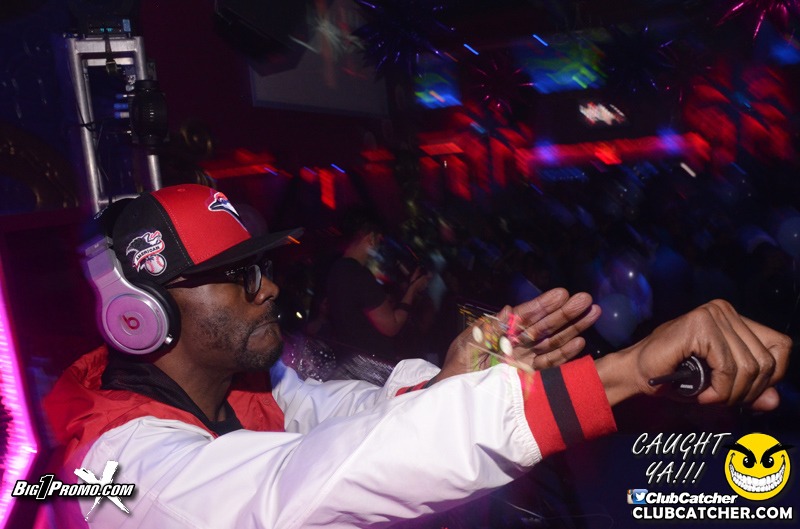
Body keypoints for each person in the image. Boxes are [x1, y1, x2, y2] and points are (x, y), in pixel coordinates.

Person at [44, 184, 791, 529]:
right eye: (238, 275)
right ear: (139, 314)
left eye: (263, 266)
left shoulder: (253, 388)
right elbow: (300, 487)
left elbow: (355, 422)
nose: (268, 288)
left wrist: (458, 375)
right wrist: (623, 371)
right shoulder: (119, 475)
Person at [325, 208, 429, 358]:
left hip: (348, 357)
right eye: (378, 238)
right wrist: (412, 290)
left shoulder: (336, 269)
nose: (379, 243)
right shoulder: (359, 275)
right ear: (370, 238)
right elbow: (391, 326)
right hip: (370, 363)